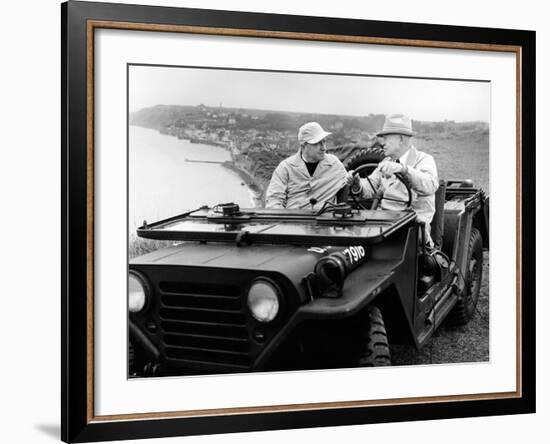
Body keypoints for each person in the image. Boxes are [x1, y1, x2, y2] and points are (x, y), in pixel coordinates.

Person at [347, 114, 439, 245]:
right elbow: (369, 187)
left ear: (401, 139)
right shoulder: (386, 162)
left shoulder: (424, 160)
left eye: (386, 138)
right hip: (382, 223)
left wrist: (403, 169)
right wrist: (357, 184)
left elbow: (430, 185)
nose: (382, 142)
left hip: (413, 226)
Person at [265, 122, 348, 209]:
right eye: (317, 143)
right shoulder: (285, 168)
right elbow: (274, 201)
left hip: (324, 219)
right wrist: (284, 220)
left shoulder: (334, 165)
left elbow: (354, 186)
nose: (323, 148)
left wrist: (357, 185)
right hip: (294, 219)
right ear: (304, 146)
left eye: (324, 142)